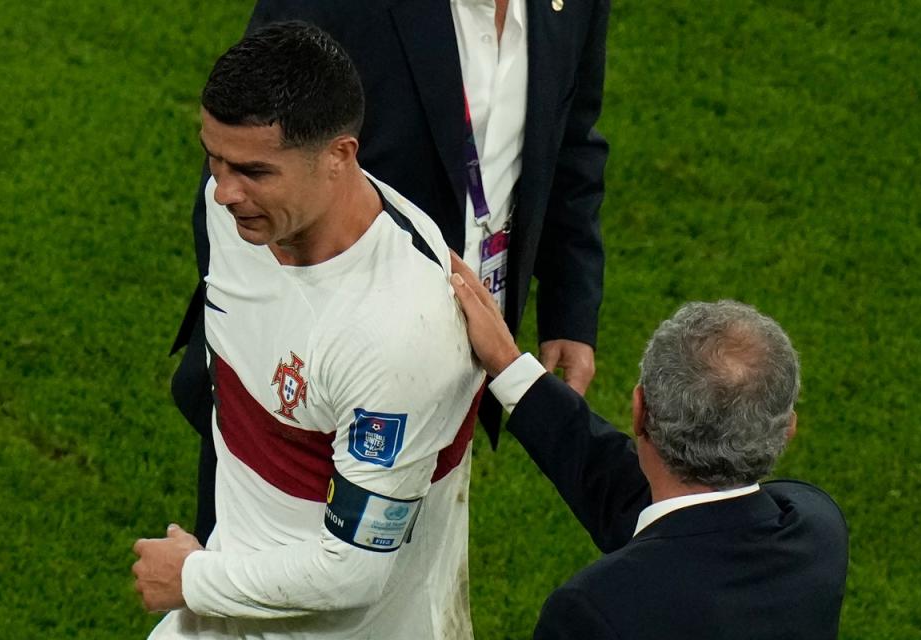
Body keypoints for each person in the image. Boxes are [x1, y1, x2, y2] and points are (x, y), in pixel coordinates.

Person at [170, 0, 612, 543]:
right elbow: (242, 166)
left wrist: (569, 306)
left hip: (456, 351)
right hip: (302, 383)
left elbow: (571, 140)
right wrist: (285, 373)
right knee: (261, 580)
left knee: (408, 564)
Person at [133, 23, 483, 639]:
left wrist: (193, 579)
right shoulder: (244, 219)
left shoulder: (401, 331)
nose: (222, 190)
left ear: (338, 157)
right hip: (227, 609)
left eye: (253, 171)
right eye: (212, 158)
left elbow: (353, 571)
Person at [449, 254, 849, 640]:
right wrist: (509, 364)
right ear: (787, 430)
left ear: (639, 411)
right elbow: (654, 507)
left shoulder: (595, 612)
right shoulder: (816, 528)